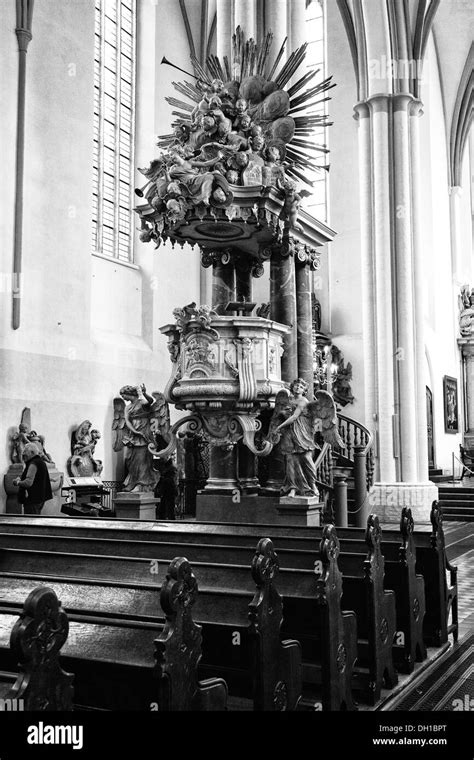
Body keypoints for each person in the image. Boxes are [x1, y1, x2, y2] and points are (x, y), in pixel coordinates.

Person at [13, 442, 53, 515]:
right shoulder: (41, 462)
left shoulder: (33, 463)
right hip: (40, 499)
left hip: (32, 500)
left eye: (25, 452)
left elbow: (28, 483)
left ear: (32, 452)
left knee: (30, 522)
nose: (23, 454)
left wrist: (17, 482)